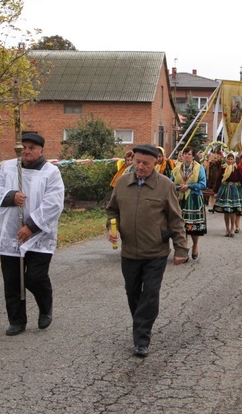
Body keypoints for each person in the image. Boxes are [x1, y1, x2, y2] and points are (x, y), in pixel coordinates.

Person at [106, 144, 188, 358]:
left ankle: (142, 338)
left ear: (156, 163)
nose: (140, 166)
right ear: (132, 160)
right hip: (129, 252)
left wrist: (181, 248)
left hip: (155, 252)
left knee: (150, 295)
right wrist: (111, 228)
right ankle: (141, 325)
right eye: (137, 162)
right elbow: (112, 210)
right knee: (132, 293)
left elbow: (176, 219)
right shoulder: (122, 183)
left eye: (146, 163)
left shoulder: (166, 186)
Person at [0, 132, 65, 336]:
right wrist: (11, 196)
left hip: (39, 233)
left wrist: (31, 226)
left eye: (32, 147)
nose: (27, 151)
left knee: (35, 277)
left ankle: (45, 306)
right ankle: (17, 320)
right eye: (24, 147)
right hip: (11, 231)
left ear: (41, 150)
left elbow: (54, 203)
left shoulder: (51, 172)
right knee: (12, 279)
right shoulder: (9, 167)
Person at [172, 146, 207, 260]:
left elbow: (203, 184)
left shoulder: (199, 168)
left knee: (194, 226)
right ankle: (184, 249)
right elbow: (171, 183)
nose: (186, 156)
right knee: (182, 226)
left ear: (193, 156)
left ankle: (195, 246)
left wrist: (189, 186)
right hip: (181, 199)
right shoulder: (177, 168)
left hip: (194, 199)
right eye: (185, 153)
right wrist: (178, 187)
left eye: (189, 154)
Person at [212, 153, 242, 237]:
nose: (230, 161)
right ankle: (227, 228)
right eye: (228, 159)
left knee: (233, 211)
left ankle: (233, 228)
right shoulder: (223, 168)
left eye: (231, 159)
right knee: (226, 211)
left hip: (234, 190)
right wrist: (215, 191)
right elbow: (218, 179)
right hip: (225, 190)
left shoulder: (237, 168)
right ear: (226, 159)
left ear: (234, 160)